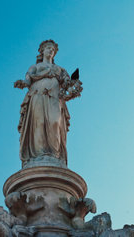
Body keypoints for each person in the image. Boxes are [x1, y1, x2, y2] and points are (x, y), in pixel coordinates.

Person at [14, 40, 82, 168]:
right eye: (48, 48)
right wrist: (22, 83)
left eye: (53, 50)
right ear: (42, 51)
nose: (51, 51)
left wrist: (74, 85)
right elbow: (28, 81)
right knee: (39, 123)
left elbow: (67, 85)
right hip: (37, 96)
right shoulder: (35, 67)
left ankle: (54, 156)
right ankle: (40, 155)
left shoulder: (60, 69)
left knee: (54, 123)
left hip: (55, 98)